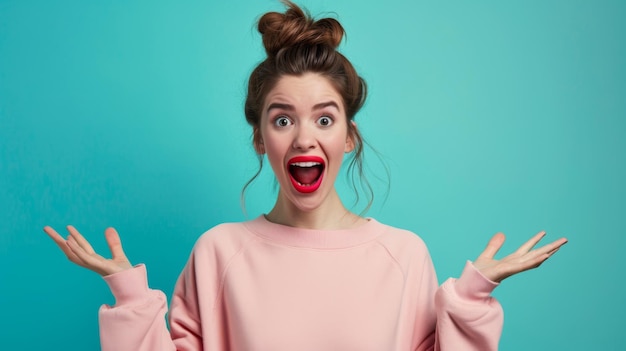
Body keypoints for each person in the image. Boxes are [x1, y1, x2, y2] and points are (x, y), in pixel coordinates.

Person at [44, 2, 568, 350]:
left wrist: (472, 299)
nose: (303, 138)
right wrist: (132, 301)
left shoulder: (404, 255)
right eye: (282, 118)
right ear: (260, 139)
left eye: (324, 118)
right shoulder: (219, 253)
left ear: (349, 137)